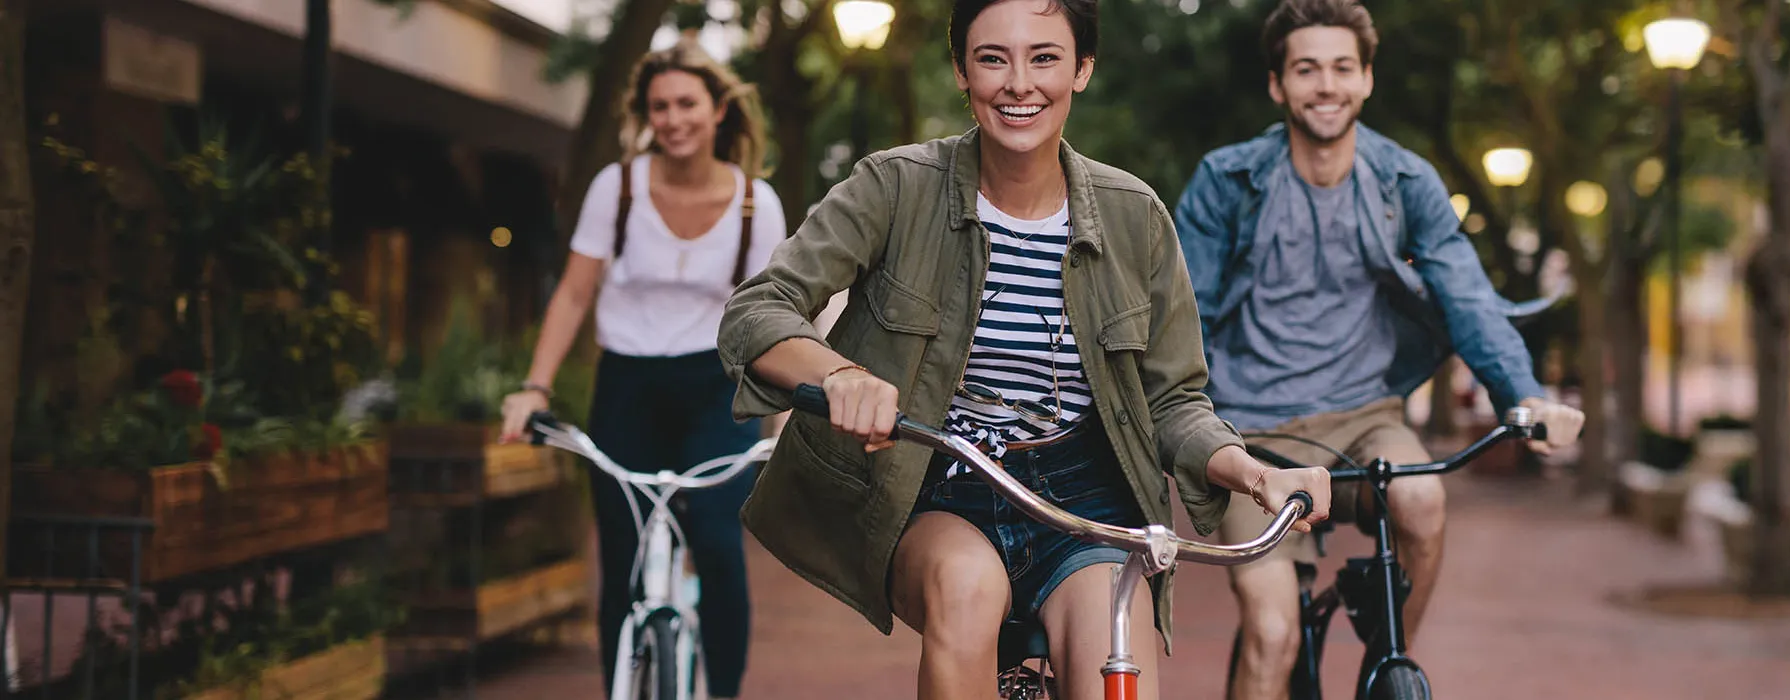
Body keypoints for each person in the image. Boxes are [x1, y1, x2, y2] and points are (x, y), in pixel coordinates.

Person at [716, 1, 1332, 698]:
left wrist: (1255, 475)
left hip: (1086, 497)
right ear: (960, 72)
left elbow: (1175, 402)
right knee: (965, 590)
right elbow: (755, 312)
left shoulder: (1136, 217)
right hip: (940, 482)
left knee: (1115, 666)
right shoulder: (894, 187)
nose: (1018, 83)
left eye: (1044, 57)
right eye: (991, 58)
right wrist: (840, 375)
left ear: (1082, 70)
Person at [1171, 1, 1587, 697]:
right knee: (1270, 634)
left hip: (1366, 418)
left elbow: (1467, 298)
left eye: (1341, 68)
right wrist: (1183, 431)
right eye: (1306, 69)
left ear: (1366, 79)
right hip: (1250, 433)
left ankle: (1387, 668)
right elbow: (1183, 323)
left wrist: (1523, 397)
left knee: (1424, 500)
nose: (1325, 85)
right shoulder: (1228, 181)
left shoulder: (1405, 182)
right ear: (1278, 86)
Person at [496, 42, 784, 700]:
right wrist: (533, 387)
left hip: (717, 392)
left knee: (715, 543)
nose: (675, 119)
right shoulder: (617, 186)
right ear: (646, 117)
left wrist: (788, 414)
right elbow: (573, 294)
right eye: (661, 107)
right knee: (621, 561)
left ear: (717, 111)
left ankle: (722, 692)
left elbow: (775, 314)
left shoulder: (754, 204)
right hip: (626, 387)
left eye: (688, 103)